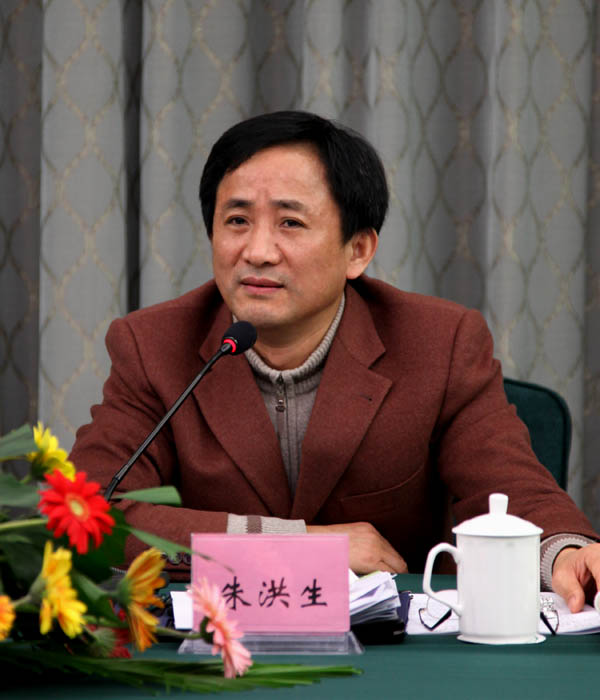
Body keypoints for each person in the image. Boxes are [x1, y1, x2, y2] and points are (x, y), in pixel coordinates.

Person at [70, 110, 600, 612]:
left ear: (358, 251)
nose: (257, 251)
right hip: (217, 643)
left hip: (392, 650)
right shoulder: (153, 345)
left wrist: (568, 553)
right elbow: (88, 514)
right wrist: (299, 547)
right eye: (237, 220)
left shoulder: (439, 343)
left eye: (290, 223)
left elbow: (510, 489)